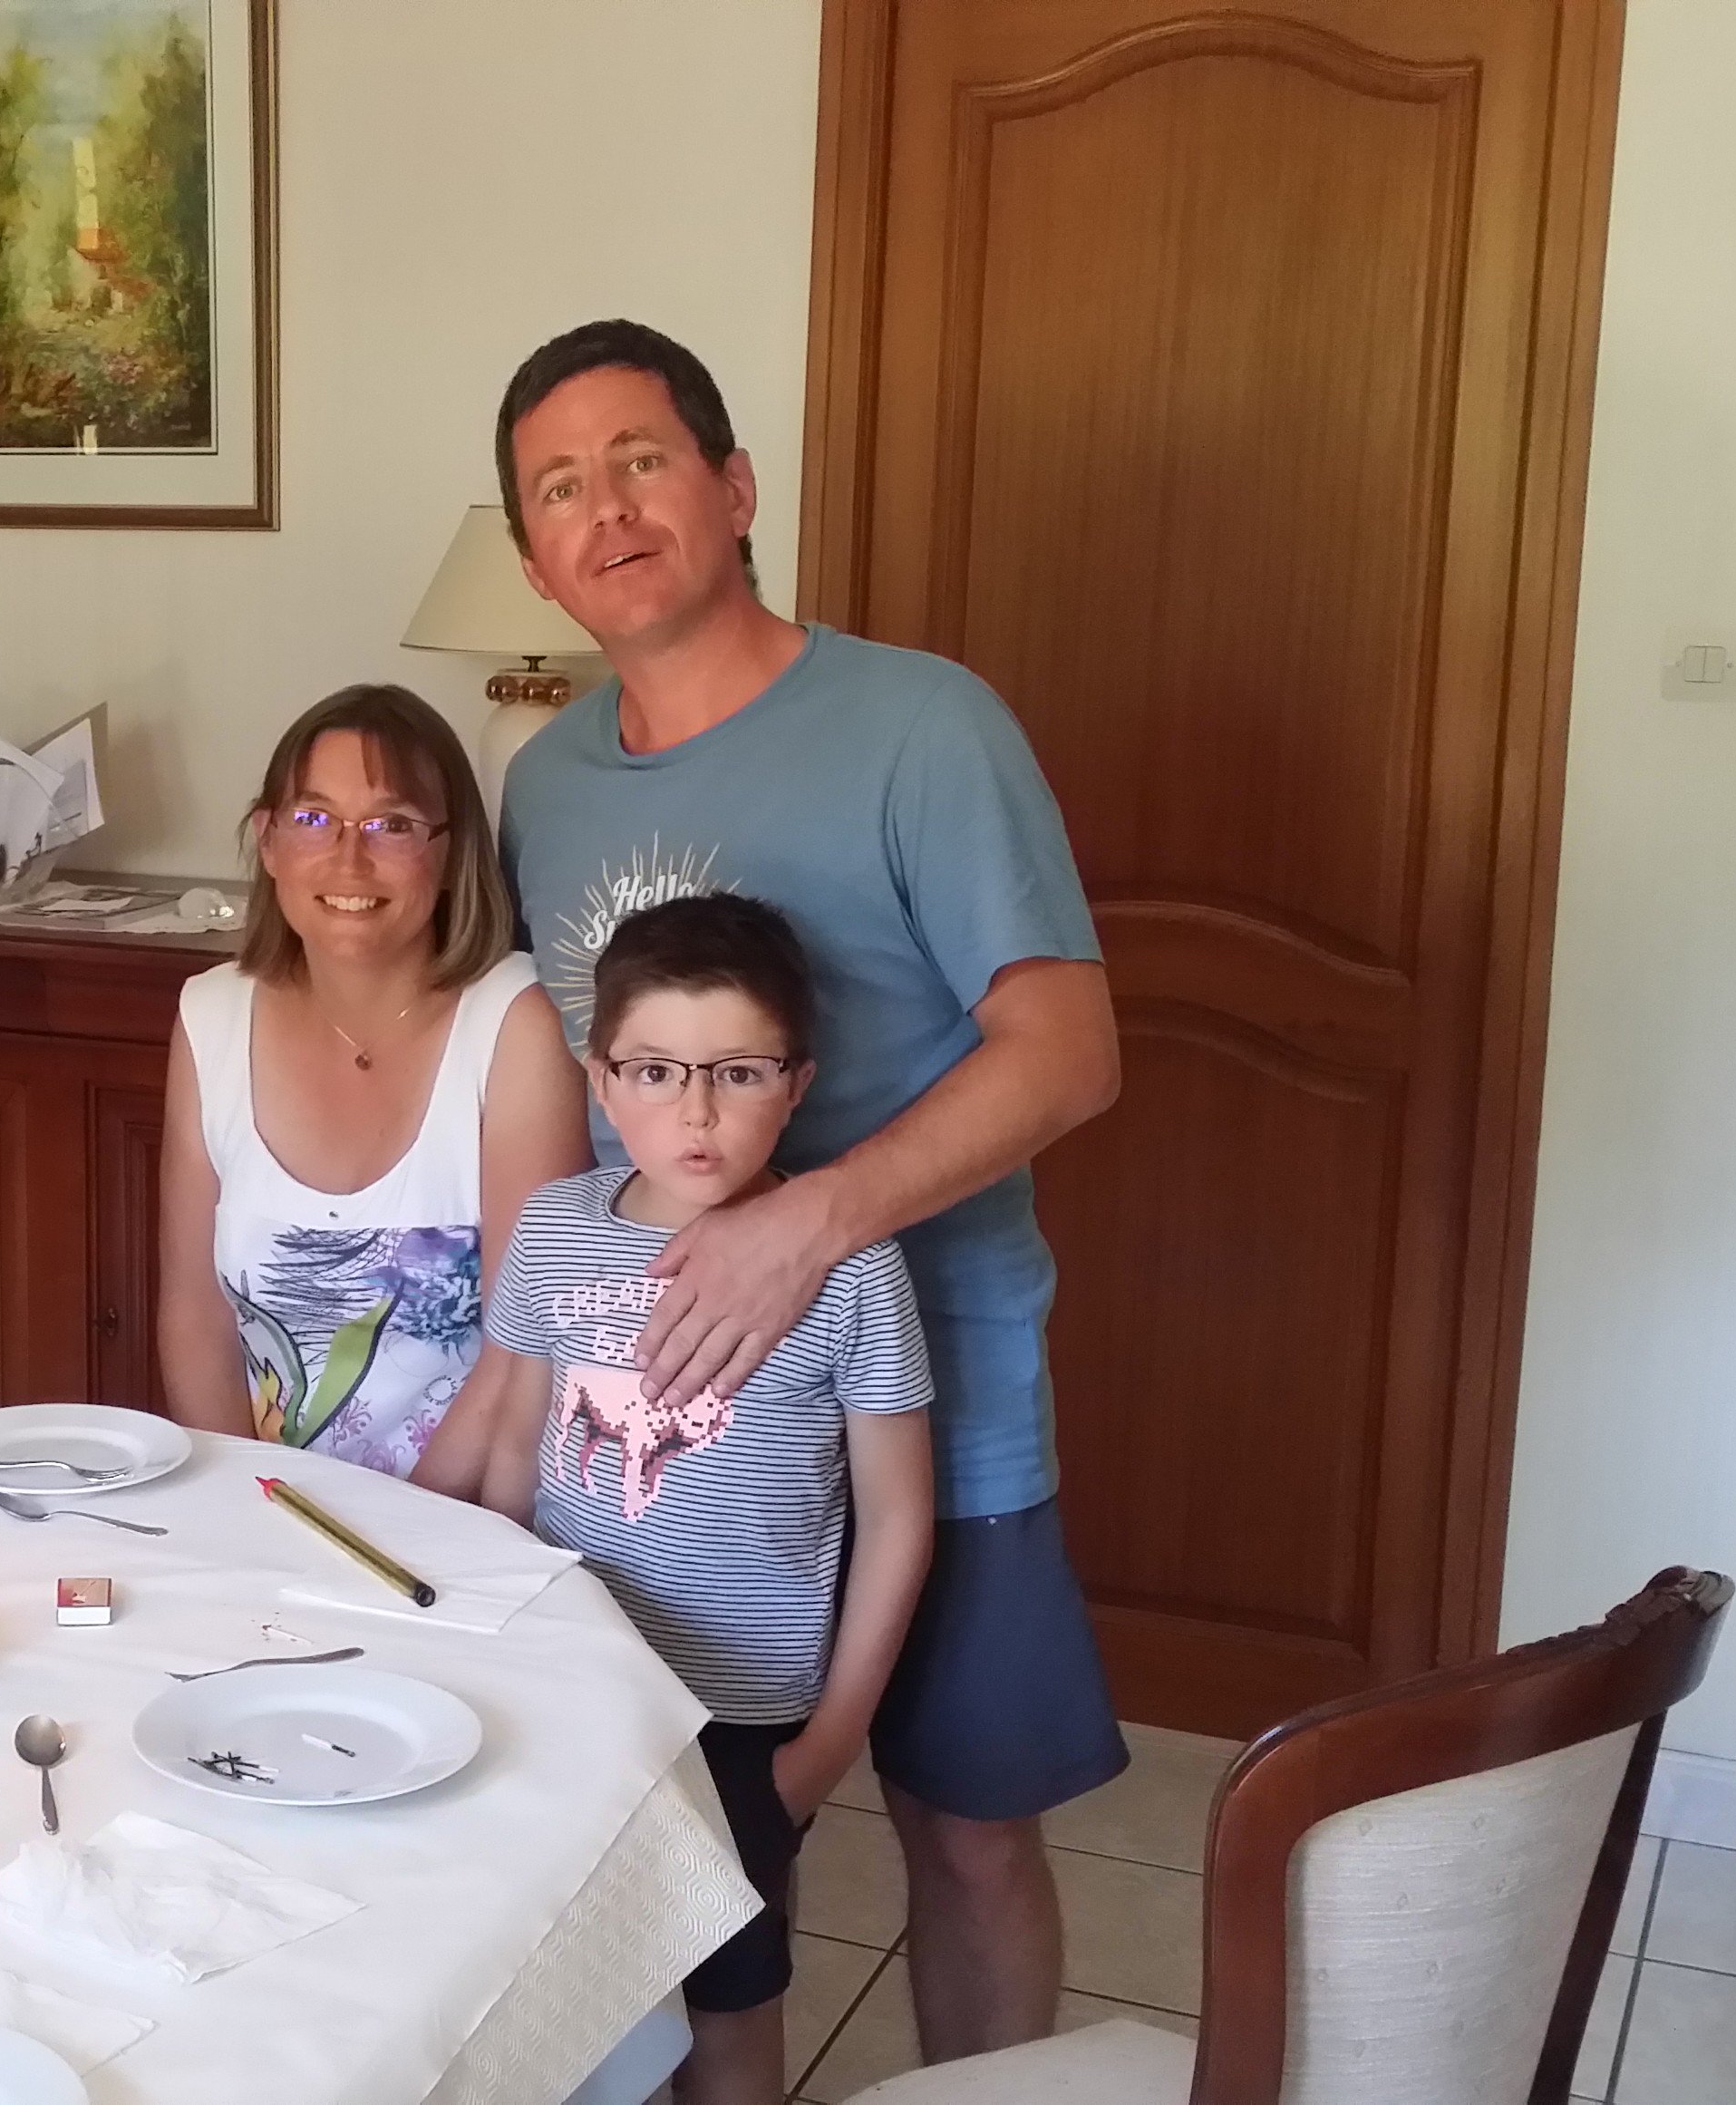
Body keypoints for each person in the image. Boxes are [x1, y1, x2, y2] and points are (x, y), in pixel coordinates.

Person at [489, 318, 1130, 2061]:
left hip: (928, 1393)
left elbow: (1069, 1049)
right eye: (558, 487)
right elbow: (557, 1088)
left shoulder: (921, 724)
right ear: (533, 558)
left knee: (963, 1825)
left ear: (733, 486)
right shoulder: (542, 786)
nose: (607, 508)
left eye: (640, 460)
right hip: (651, 1440)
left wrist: (808, 1222)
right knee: (643, 1837)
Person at [466, 895, 933, 2105]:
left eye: (738, 1071)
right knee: (568, 1995)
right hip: (576, 1693)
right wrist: (497, 1648)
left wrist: (829, 1743)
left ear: (798, 1081)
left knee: (730, 2005)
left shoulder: (852, 1268)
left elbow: (897, 1517)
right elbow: (515, 1442)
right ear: (600, 1078)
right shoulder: (556, 1231)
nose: (697, 1110)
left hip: (744, 1719)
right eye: (657, 1070)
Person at [156, 684, 590, 1477]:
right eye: (313, 819)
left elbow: (523, 1351)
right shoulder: (210, 1014)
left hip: (468, 1507)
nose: (348, 859)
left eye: (392, 825)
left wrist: (399, 1526)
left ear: (453, 854)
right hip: (265, 1504)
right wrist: (242, 1503)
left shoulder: (515, 1022)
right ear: (268, 842)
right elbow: (194, 1314)